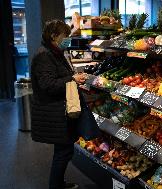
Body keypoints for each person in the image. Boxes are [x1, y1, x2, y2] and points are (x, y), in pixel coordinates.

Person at [30, 20, 86, 189]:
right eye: (65, 36)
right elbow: (48, 85)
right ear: (54, 36)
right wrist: (72, 79)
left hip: (58, 111)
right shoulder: (44, 55)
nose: (68, 39)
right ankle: (56, 186)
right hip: (54, 112)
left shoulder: (55, 52)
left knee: (63, 151)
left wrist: (72, 79)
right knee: (63, 152)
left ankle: (58, 183)